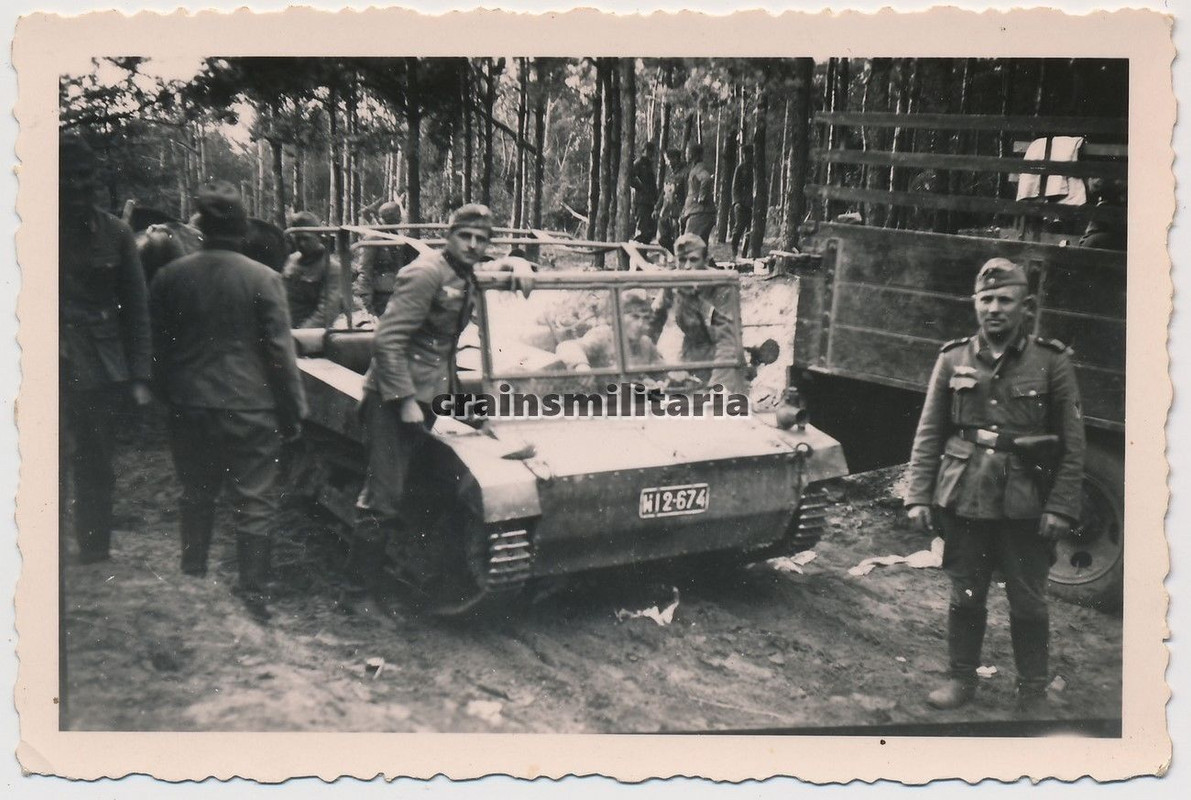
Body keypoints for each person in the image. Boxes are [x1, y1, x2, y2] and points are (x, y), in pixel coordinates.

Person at [904, 258, 1086, 714]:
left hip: (1026, 501)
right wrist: (919, 494)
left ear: (1025, 307)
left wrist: (1060, 506)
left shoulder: (1052, 361)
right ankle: (961, 679)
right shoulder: (952, 359)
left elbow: (1073, 443)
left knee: (1029, 601)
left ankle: (1033, 693)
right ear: (975, 304)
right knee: (965, 591)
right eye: (986, 299)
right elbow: (930, 432)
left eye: (1005, 300)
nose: (995, 308)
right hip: (964, 496)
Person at [349, 204, 532, 600]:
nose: (472, 245)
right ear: (448, 236)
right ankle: (361, 592)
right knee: (383, 494)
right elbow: (387, 340)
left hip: (433, 394)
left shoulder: (463, 272)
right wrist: (404, 400)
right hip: (393, 397)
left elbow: (485, 274)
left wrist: (515, 263)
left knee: (413, 482)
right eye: (465, 236)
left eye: (481, 240)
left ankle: (406, 566)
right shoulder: (425, 271)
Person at [150, 181, 307, 622]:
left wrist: (167, 396)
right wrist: (294, 411)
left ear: (199, 226)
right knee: (254, 499)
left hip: (190, 404)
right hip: (251, 407)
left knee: (196, 491)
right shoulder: (264, 278)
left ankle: (193, 578)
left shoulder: (170, 276)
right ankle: (254, 594)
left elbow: (158, 346)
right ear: (242, 229)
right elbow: (280, 353)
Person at [58, 132, 153, 564]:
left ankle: (94, 547)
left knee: (96, 460)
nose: (77, 186)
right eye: (66, 178)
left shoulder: (115, 233)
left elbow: (136, 310)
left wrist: (139, 377)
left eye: (84, 177)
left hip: (98, 366)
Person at [651, 234, 745, 393]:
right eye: (681, 260)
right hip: (692, 354)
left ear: (706, 260)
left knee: (721, 407)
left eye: (693, 260)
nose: (687, 267)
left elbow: (728, 339)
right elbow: (653, 320)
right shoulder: (672, 281)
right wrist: (641, 353)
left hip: (724, 356)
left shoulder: (722, 285)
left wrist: (719, 387)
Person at [556, 289, 664, 371]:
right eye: (635, 317)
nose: (640, 324)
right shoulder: (603, 335)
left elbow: (662, 370)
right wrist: (581, 365)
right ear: (619, 317)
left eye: (645, 318)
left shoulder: (645, 344)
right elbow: (567, 346)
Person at [283, 210, 345, 328]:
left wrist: (299, 335)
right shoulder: (291, 260)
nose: (301, 243)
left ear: (318, 237)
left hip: (311, 335)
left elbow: (327, 312)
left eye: (306, 239)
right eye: (297, 239)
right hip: (286, 328)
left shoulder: (331, 267)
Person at [353, 201, 412, 316]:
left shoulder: (395, 235)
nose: (400, 218)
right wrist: (366, 300)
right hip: (380, 294)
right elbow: (365, 269)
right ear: (389, 216)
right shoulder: (373, 237)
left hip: (397, 292)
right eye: (397, 214)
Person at [681, 142, 716, 243]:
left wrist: (702, 195)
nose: (685, 156)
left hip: (699, 213)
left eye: (687, 153)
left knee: (689, 244)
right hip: (698, 212)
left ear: (691, 155)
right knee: (699, 247)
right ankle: (705, 259)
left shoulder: (699, 168)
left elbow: (706, 178)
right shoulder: (695, 168)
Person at [655, 148, 687, 253]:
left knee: (679, 239)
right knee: (661, 239)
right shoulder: (670, 175)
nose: (668, 163)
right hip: (666, 211)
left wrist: (685, 210)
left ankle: (680, 260)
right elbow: (664, 192)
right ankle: (675, 254)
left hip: (678, 211)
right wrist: (657, 207)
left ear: (676, 159)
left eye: (669, 160)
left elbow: (687, 192)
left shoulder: (685, 173)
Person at [630, 142, 659, 244]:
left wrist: (655, 199)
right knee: (641, 229)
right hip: (641, 201)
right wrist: (640, 187)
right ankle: (637, 254)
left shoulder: (649, 165)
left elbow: (652, 185)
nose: (650, 154)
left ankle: (643, 253)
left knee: (649, 231)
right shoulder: (638, 163)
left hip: (649, 202)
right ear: (643, 151)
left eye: (652, 152)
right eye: (648, 151)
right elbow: (630, 178)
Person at [730, 144, 755, 259]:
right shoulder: (740, 168)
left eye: (749, 154)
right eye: (745, 154)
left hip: (751, 203)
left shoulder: (755, 168)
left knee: (750, 229)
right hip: (741, 203)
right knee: (739, 227)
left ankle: (744, 254)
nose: (747, 156)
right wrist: (737, 202)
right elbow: (735, 187)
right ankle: (734, 250)